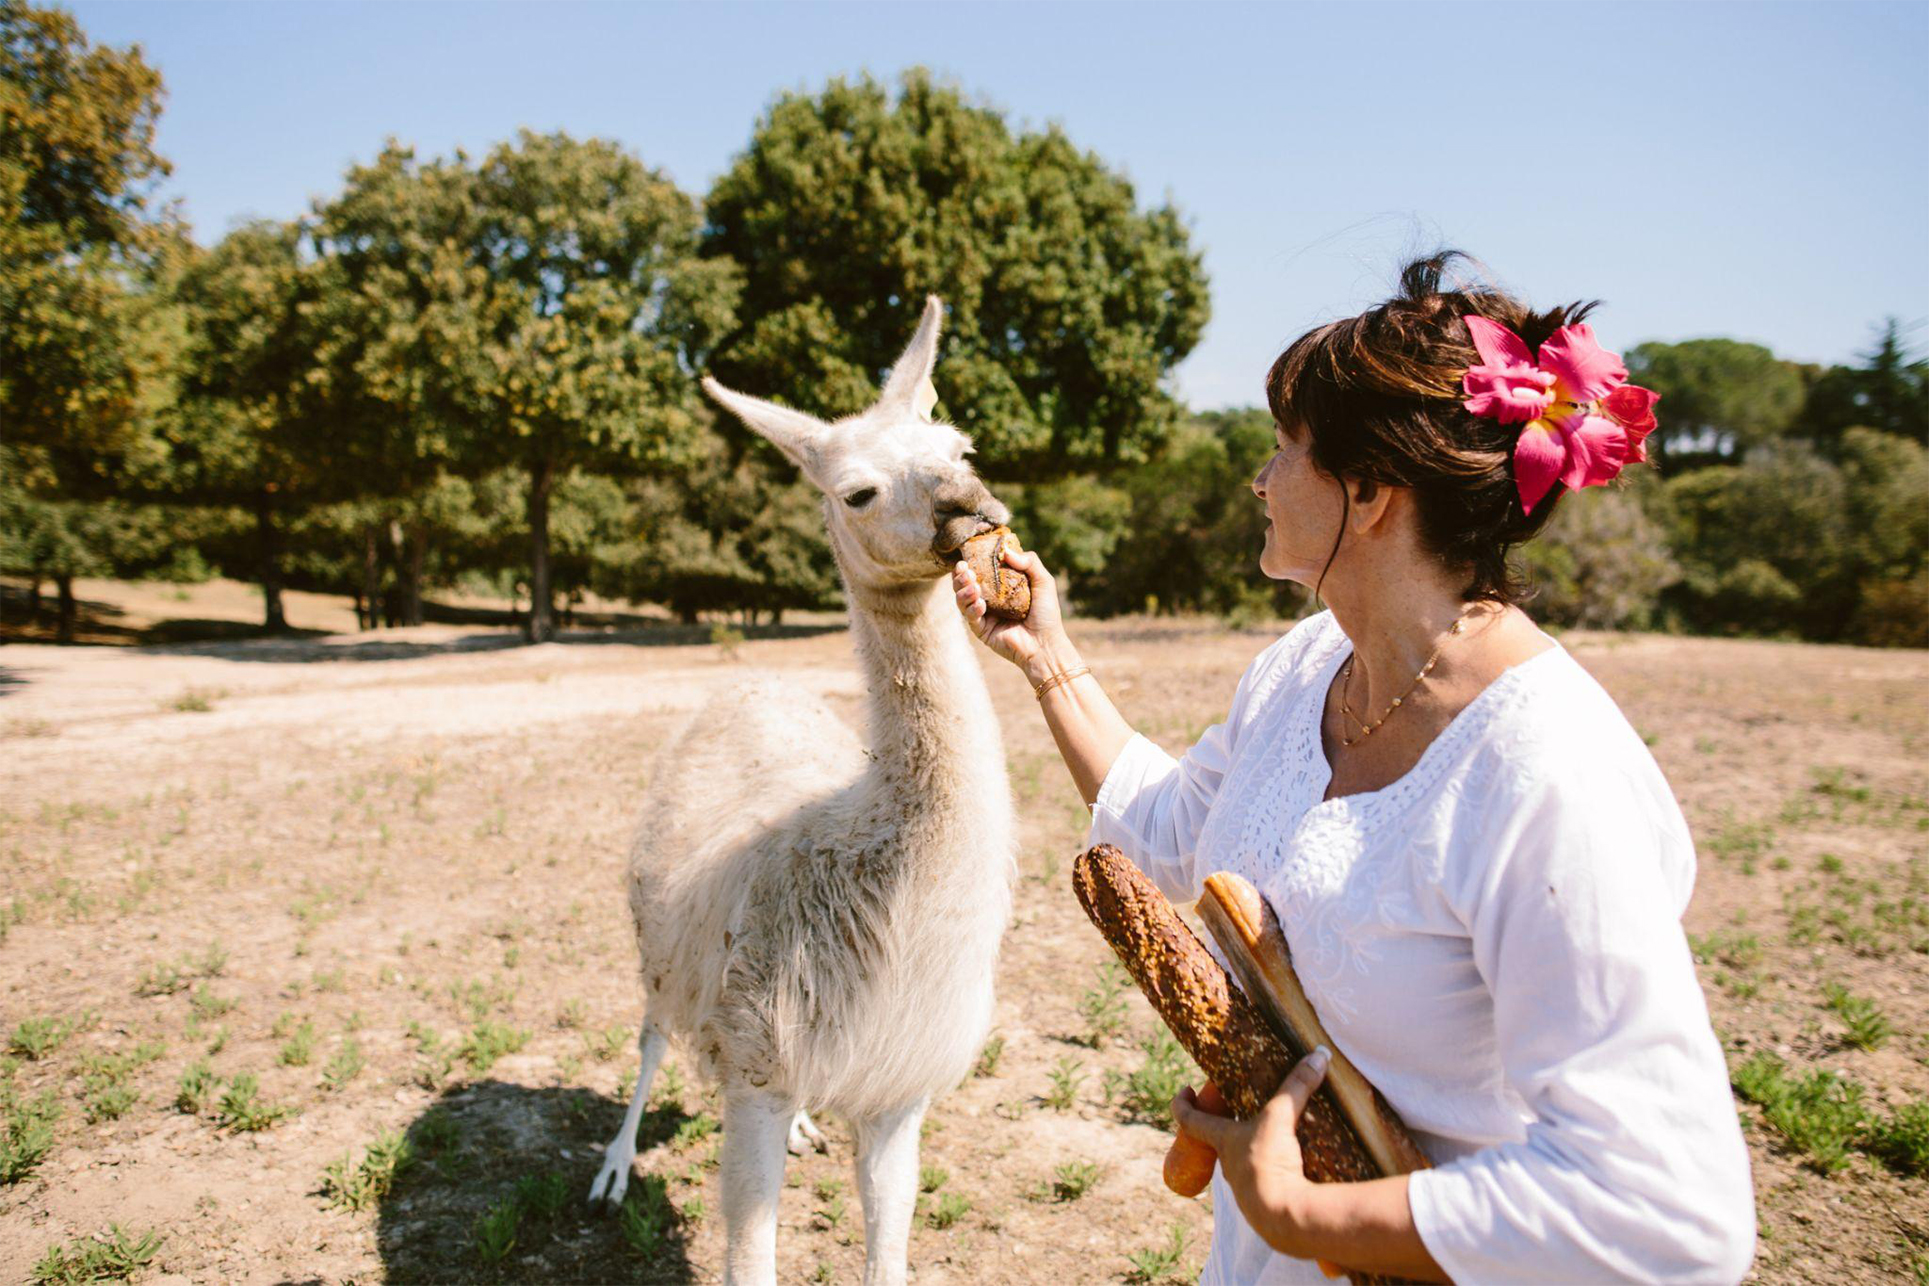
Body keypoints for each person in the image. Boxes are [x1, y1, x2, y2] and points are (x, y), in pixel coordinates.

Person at [951, 253, 1756, 1285]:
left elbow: (1666, 1209)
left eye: (1287, 447)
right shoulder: (1303, 668)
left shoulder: (1547, 770)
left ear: (1372, 491)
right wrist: (1049, 657)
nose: (1260, 476)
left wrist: (1312, 1212)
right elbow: (1178, 828)